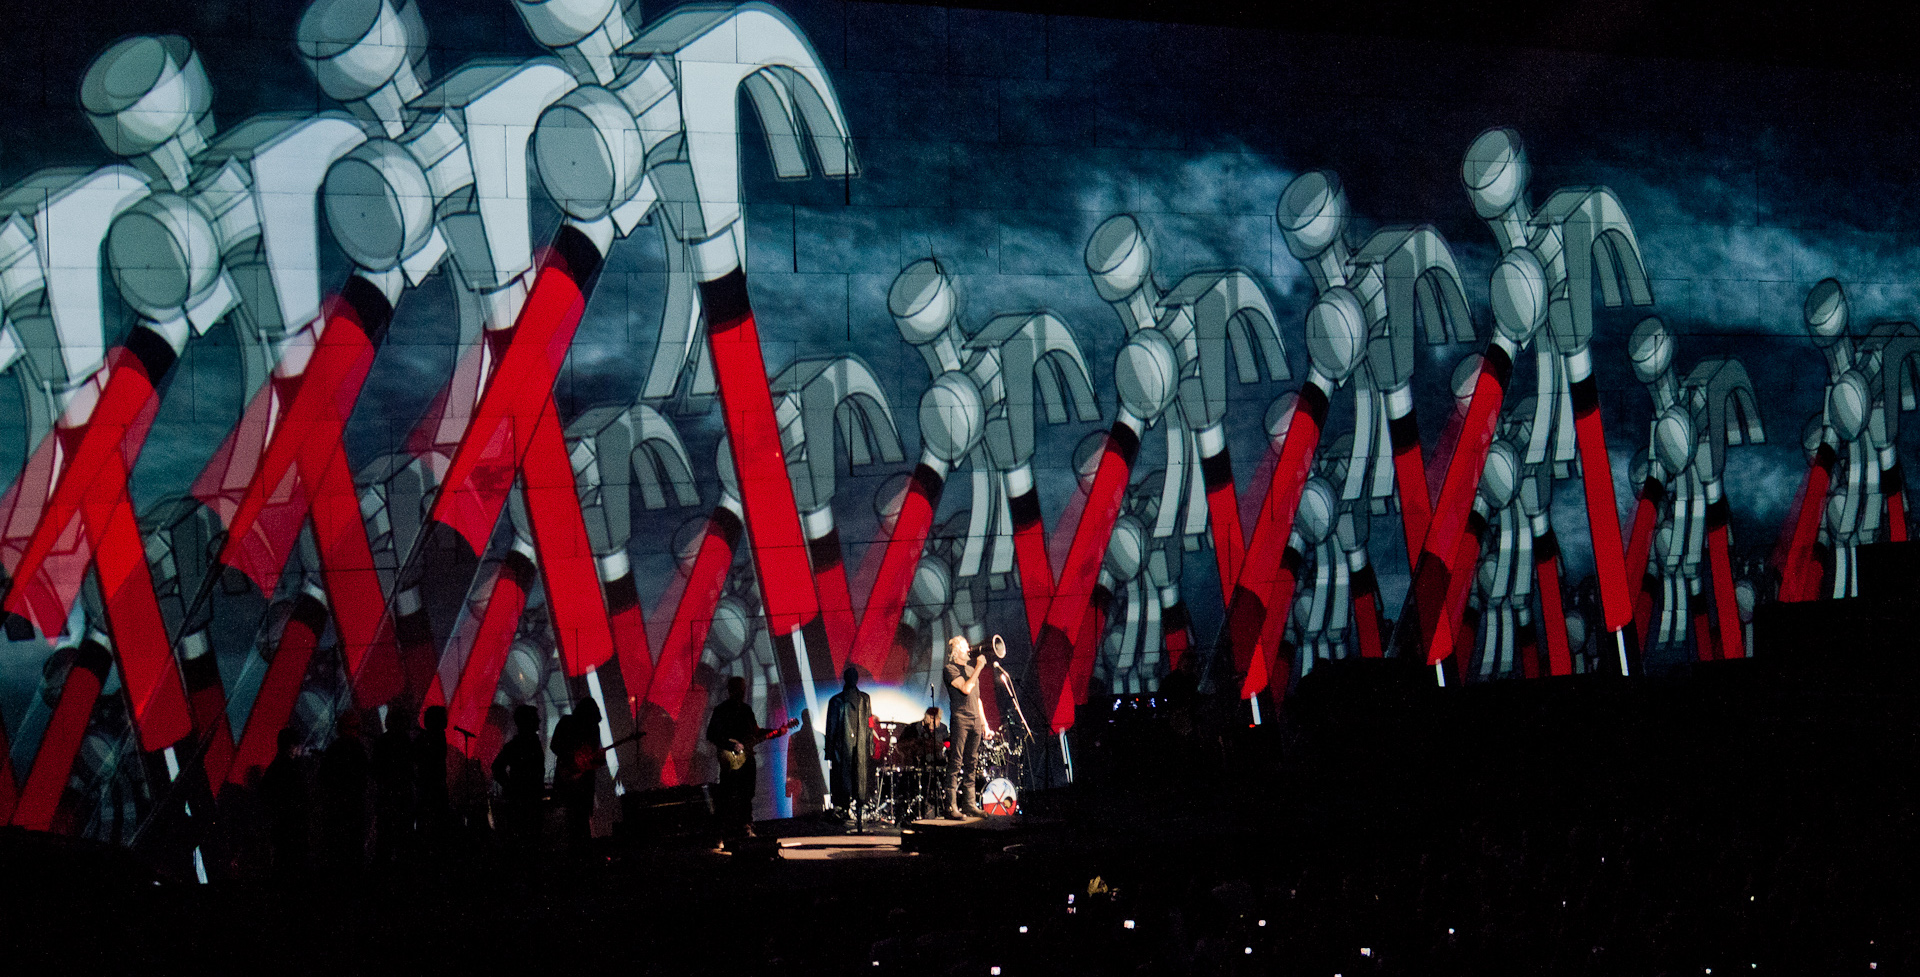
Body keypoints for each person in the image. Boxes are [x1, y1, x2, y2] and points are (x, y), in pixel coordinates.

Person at [706, 676, 773, 838]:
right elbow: (711, 734)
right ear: (731, 690)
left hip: (747, 759)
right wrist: (731, 746)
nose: (742, 692)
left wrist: (777, 731)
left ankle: (746, 826)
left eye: (743, 688)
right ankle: (724, 832)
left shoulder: (746, 710)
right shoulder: (721, 710)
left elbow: (756, 733)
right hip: (730, 760)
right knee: (727, 795)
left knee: (747, 794)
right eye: (739, 688)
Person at [317, 711, 370, 871]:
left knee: (337, 846)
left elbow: (324, 777)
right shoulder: (357, 749)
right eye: (355, 727)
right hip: (352, 805)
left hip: (336, 806)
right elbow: (364, 777)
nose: (358, 731)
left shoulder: (333, 749)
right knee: (352, 846)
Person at [943, 636, 989, 819]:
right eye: (964, 647)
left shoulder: (971, 669)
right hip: (961, 720)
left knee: (972, 763)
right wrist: (979, 667)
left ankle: (969, 805)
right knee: (955, 762)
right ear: (955, 652)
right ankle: (950, 807)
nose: (969, 649)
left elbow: (977, 699)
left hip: (975, 720)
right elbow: (965, 689)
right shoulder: (950, 669)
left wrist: (984, 723)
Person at [550, 698, 604, 849]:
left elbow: (554, 745)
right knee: (578, 821)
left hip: (573, 780)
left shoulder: (567, 722)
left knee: (572, 820)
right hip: (581, 781)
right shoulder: (591, 727)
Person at [823, 665, 873, 825]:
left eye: (855, 676)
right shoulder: (836, 701)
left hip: (860, 743)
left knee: (859, 776)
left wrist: (870, 745)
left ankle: (858, 805)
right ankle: (844, 807)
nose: (853, 679)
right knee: (843, 776)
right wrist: (829, 751)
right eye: (850, 676)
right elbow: (830, 727)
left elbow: (870, 724)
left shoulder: (865, 699)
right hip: (842, 745)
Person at [491, 704, 546, 851]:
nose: (539, 720)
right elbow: (497, 768)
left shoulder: (516, 745)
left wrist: (510, 787)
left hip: (521, 801)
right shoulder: (524, 744)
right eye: (535, 718)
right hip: (527, 801)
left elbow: (497, 768)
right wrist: (512, 788)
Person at [259, 726, 310, 877]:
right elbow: (302, 799)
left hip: (279, 831)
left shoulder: (272, 770)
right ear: (292, 747)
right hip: (294, 831)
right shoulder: (294, 770)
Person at [370, 707, 414, 865]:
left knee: (385, 835)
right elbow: (412, 769)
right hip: (403, 795)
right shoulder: (406, 741)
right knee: (403, 834)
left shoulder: (382, 741)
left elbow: (375, 769)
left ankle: (383, 868)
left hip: (386, 795)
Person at [413, 706, 452, 852]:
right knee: (439, 821)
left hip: (426, 786)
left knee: (425, 820)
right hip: (437, 785)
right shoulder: (439, 736)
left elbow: (416, 756)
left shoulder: (427, 738)